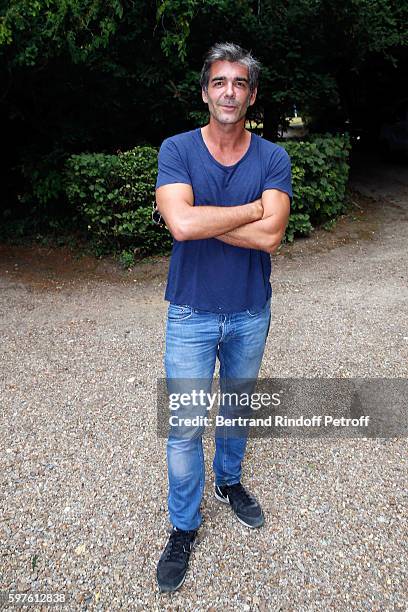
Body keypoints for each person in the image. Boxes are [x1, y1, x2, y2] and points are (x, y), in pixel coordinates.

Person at [155, 42, 292, 593]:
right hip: (189, 311)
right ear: (205, 92)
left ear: (252, 95)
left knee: (236, 408)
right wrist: (249, 210)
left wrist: (203, 219)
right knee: (184, 426)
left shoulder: (273, 158)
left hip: (249, 311)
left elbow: (273, 236)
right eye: (219, 82)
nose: (229, 91)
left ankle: (229, 483)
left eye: (239, 83)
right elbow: (181, 227)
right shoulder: (178, 148)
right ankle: (184, 527)